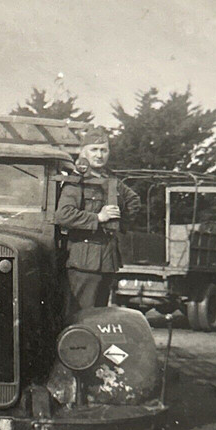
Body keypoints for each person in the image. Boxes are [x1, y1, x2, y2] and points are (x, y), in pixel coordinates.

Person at [56, 126, 141, 317]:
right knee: (81, 316)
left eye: (104, 150)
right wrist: (98, 218)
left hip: (108, 259)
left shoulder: (111, 180)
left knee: (100, 317)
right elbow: (63, 214)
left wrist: (119, 221)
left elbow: (133, 200)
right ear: (83, 152)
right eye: (94, 149)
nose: (99, 155)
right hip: (84, 262)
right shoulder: (77, 181)